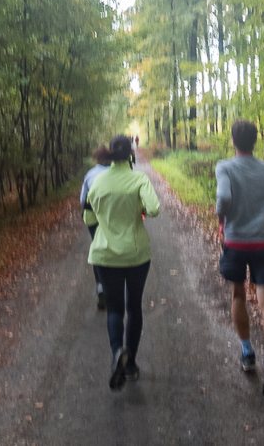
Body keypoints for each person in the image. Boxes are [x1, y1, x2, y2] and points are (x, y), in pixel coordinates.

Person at [215, 119, 264, 394]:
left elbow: (223, 198)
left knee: (238, 295)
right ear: (255, 141)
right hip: (263, 242)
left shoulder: (225, 167)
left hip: (235, 241)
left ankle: (247, 354)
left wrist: (222, 215)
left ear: (233, 141)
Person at [85, 134, 161, 390]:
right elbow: (153, 209)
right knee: (134, 308)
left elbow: (88, 219)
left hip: (105, 256)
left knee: (115, 309)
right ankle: (130, 367)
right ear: (131, 153)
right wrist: (137, 209)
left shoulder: (96, 181)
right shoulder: (138, 179)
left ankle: (118, 351)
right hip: (136, 255)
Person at [80, 146, 111, 309]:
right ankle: (114, 287)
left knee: (98, 249)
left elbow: (82, 199)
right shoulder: (115, 174)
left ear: (96, 159)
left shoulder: (90, 174)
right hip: (111, 217)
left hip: (93, 218)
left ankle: (100, 286)